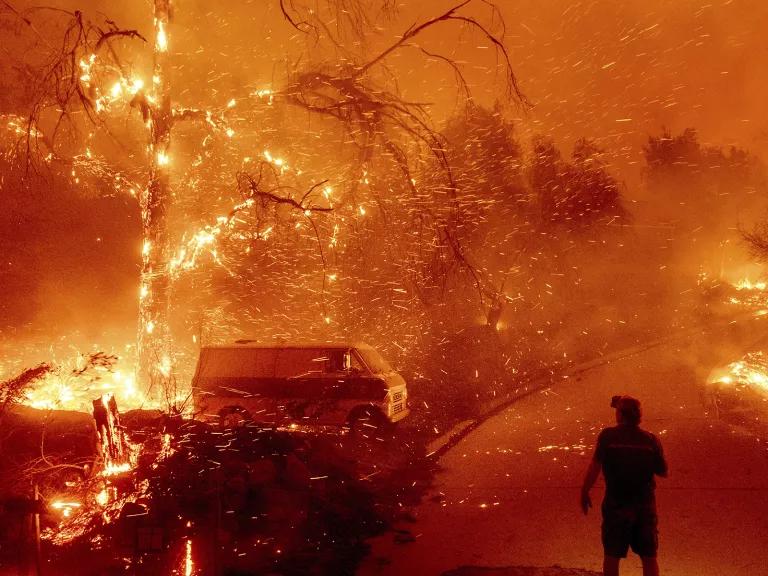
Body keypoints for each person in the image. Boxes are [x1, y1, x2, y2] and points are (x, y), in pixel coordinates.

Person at [581, 395, 668, 576]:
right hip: (644, 506)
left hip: (616, 506)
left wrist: (584, 490)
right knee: (649, 556)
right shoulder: (651, 440)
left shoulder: (608, 437)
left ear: (620, 414)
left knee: (612, 555)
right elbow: (663, 471)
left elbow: (594, 466)